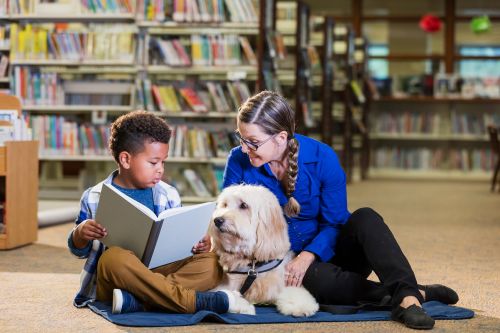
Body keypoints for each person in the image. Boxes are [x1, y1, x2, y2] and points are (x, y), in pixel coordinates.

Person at [222, 91, 459, 329]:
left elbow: (334, 223)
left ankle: (408, 302)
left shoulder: (323, 157)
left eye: (252, 142)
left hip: (332, 253)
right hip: (282, 267)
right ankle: (414, 293)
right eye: (241, 139)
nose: (244, 148)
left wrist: (308, 255)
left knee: (365, 216)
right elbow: (227, 213)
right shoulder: (237, 160)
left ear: (280, 137)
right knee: (316, 279)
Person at [68, 111, 235, 315]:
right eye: (153, 162)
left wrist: (200, 245)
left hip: (158, 273)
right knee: (113, 258)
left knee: (212, 264)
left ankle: (138, 302)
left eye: (163, 162)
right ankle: (190, 301)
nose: (160, 170)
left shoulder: (169, 195)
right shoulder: (94, 196)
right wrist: (80, 234)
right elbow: (79, 251)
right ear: (125, 160)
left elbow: (179, 246)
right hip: (117, 278)